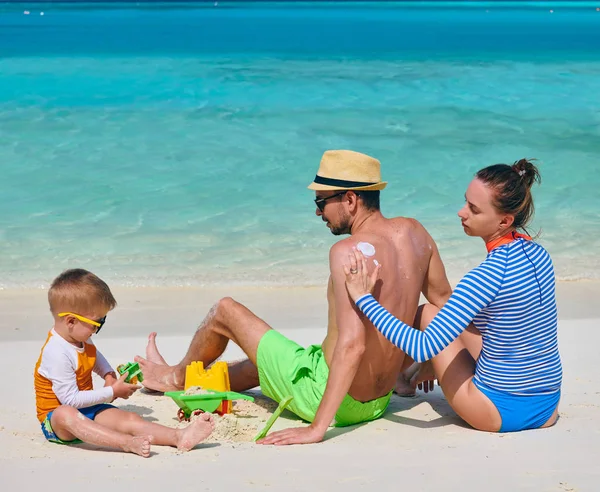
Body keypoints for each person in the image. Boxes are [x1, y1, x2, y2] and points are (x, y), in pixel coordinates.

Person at [136, 149, 452, 445]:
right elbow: (445, 306)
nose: (317, 212)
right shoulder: (416, 234)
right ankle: (197, 382)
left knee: (225, 311)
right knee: (261, 365)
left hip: (334, 400)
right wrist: (423, 364)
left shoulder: (347, 252)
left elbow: (352, 345)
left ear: (351, 199)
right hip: (378, 401)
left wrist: (317, 429)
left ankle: (176, 377)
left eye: (321, 201)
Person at [343, 159, 562, 433]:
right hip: (549, 406)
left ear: (504, 220)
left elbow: (422, 347)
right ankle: (418, 373)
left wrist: (365, 299)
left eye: (473, 209)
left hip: (500, 411)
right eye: (465, 202)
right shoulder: (539, 254)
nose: (461, 212)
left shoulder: (487, 275)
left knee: (425, 314)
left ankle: (407, 375)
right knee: (441, 316)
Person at [34, 269, 215, 457]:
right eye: (98, 323)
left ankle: (178, 436)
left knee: (129, 419)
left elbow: (94, 357)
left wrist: (108, 374)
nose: (98, 329)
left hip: (86, 409)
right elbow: (69, 400)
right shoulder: (56, 352)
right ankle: (126, 443)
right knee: (66, 414)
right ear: (71, 321)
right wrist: (112, 392)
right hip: (56, 422)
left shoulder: (80, 338)